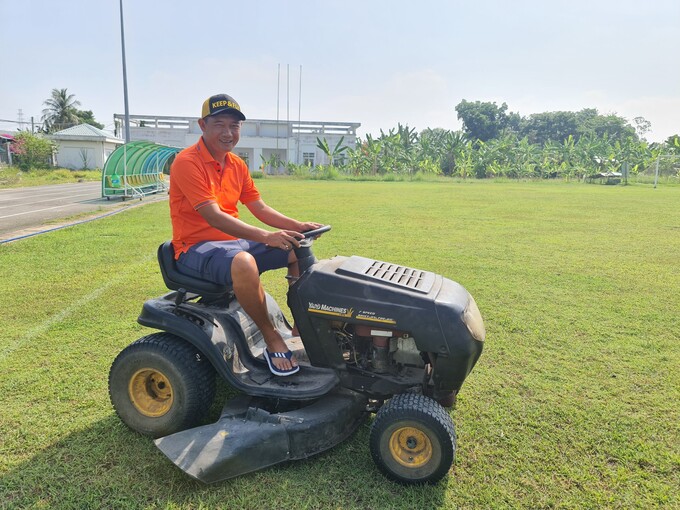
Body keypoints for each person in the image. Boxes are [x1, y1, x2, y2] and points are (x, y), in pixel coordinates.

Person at [169, 93, 321, 376]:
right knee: (243, 262)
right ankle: (272, 337)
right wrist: (266, 237)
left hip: (232, 243)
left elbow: (258, 207)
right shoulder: (187, 162)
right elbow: (212, 215)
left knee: (298, 249)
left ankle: (301, 331)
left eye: (234, 126)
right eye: (220, 124)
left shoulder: (236, 164)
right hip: (195, 247)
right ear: (203, 125)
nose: (228, 133)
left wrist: (298, 226)